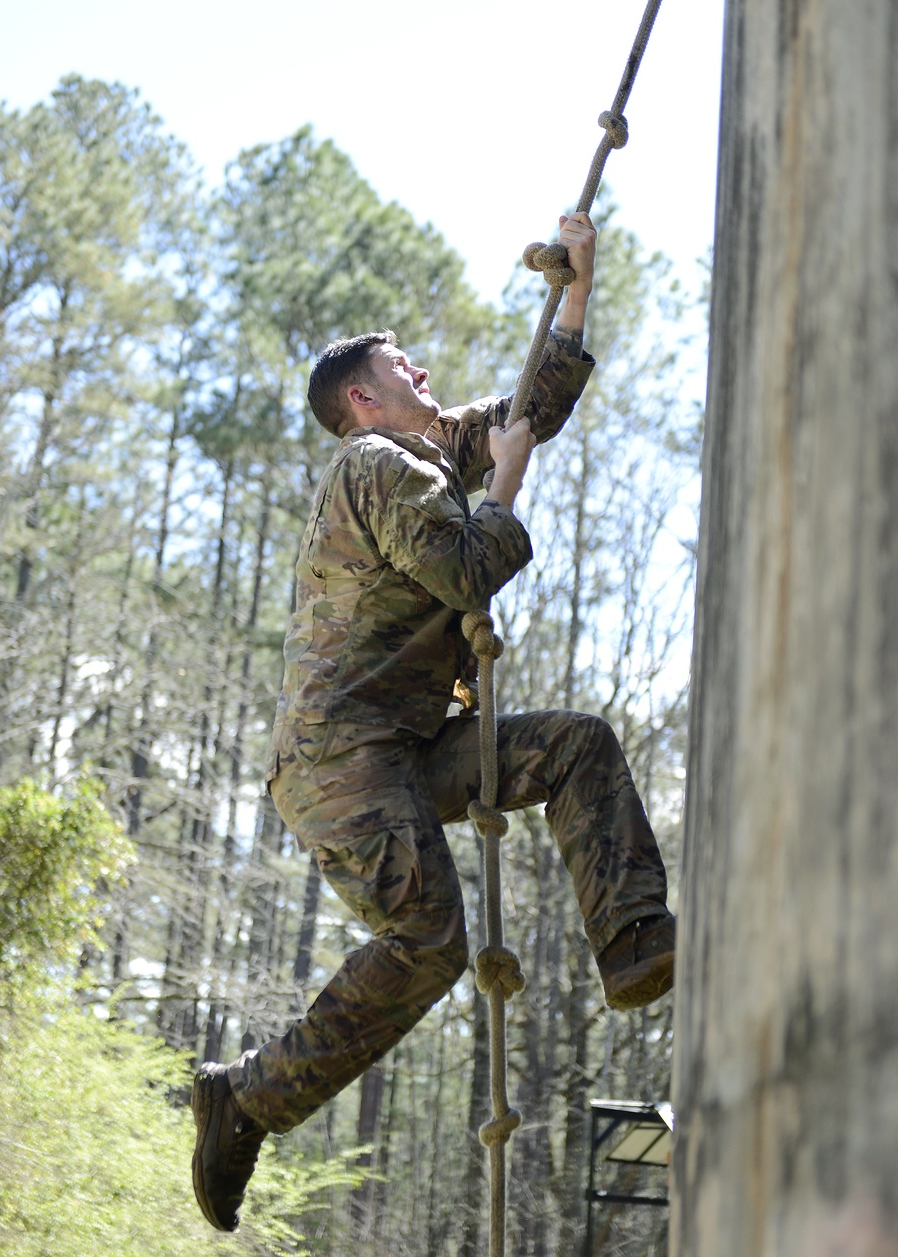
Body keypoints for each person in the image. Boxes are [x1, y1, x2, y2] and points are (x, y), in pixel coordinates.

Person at [191, 211, 676, 1233]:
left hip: (412, 746)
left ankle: (633, 942)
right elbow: (466, 567)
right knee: (428, 941)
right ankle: (246, 1097)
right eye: (401, 364)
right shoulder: (375, 466)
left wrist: (576, 291)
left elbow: (527, 416)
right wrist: (497, 491)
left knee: (573, 746)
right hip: (344, 757)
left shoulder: (427, 455)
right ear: (362, 399)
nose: (421, 369)